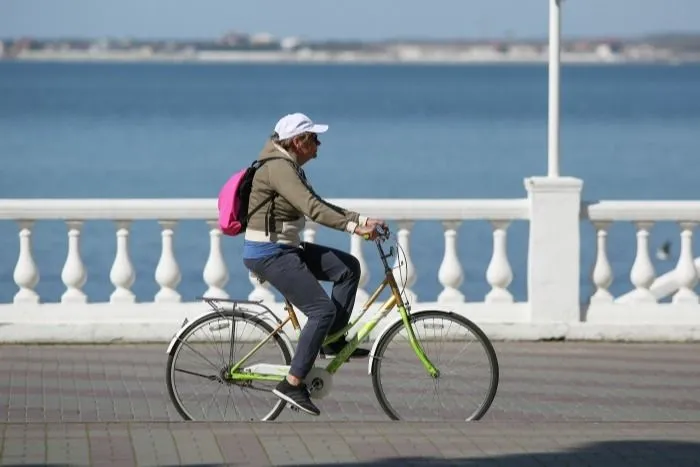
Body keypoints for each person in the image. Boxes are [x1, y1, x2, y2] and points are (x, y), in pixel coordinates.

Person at [242, 112, 387, 416]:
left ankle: (331, 339)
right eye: (314, 139)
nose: (319, 145)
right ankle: (292, 383)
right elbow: (312, 209)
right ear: (298, 141)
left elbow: (317, 202)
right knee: (321, 309)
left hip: (286, 248)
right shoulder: (279, 168)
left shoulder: (288, 165)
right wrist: (353, 228)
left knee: (347, 268)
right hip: (269, 252)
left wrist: (361, 219)